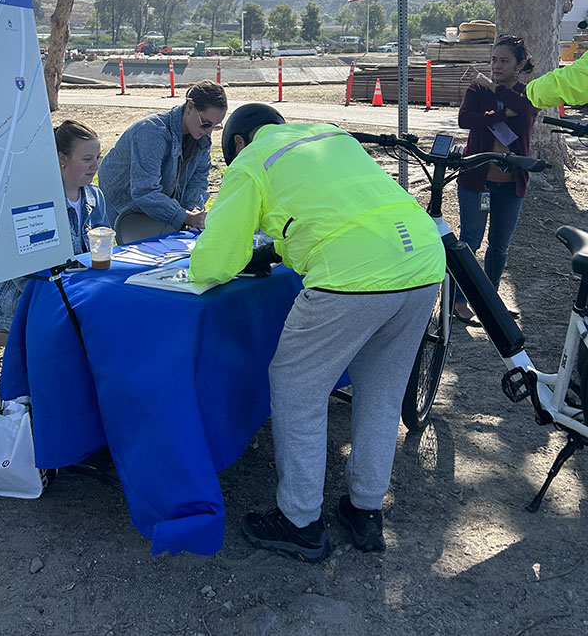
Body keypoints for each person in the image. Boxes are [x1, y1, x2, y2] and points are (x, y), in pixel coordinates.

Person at [188, 104, 445, 562]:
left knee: (296, 389)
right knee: (382, 394)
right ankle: (365, 512)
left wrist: (209, 263)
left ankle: (300, 521)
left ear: (238, 142)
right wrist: (276, 252)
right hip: (423, 262)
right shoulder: (326, 135)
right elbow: (332, 213)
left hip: (351, 276)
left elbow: (216, 258)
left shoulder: (252, 161)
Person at [0, 120, 108, 330]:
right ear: (62, 159)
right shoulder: (35, 200)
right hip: (21, 299)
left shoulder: (94, 195)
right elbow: (27, 276)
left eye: (98, 157)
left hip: (74, 291)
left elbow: (103, 251)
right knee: (90, 321)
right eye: (87, 159)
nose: (95, 165)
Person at [453, 36, 538, 324]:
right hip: (477, 181)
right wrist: (499, 112)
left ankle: (489, 300)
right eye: (493, 60)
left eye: (504, 61)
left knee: (499, 246)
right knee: (470, 242)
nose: (496, 66)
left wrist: (496, 89)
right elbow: (465, 120)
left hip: (511, 185)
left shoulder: (528, 94)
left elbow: (524, 111)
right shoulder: (477, 89)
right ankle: (458, 301)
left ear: (519, 65)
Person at [97, 80, 227, 235]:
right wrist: (186, 216)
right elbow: (145, 192)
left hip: (156, 201)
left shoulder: (201, 140)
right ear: (190, 107)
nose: (209, 131)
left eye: (216, 126)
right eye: (206, 124)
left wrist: (194, 211)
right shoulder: (151, 133)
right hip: (121, 201)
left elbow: (198, 181)